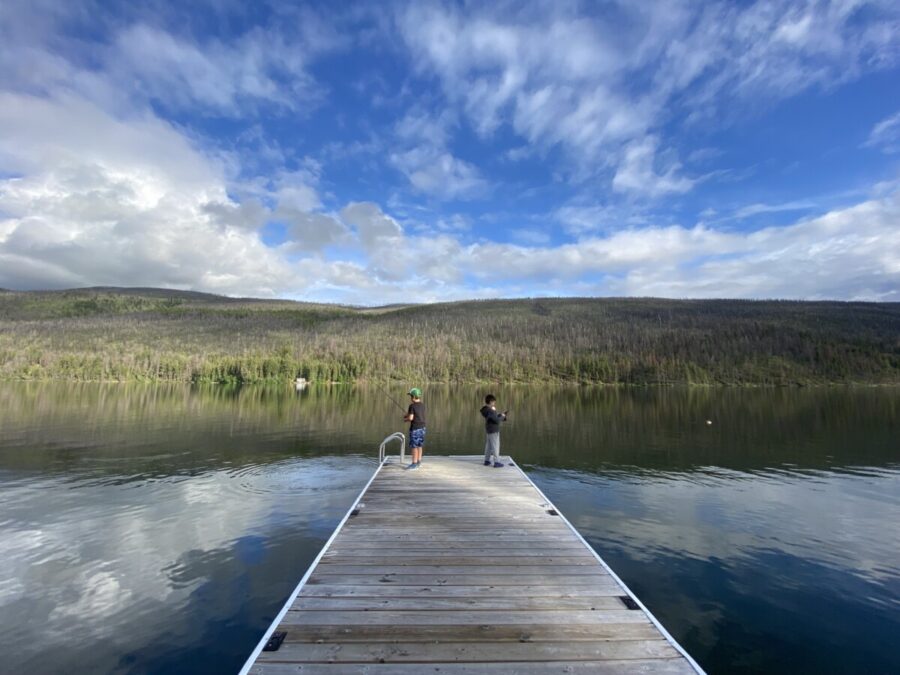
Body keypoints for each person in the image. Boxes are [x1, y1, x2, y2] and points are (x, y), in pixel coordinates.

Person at [480, 394, 507, 467]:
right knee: (495, 446)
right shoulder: (490, 410)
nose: (494, 403)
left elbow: (493, 418)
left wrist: (500, 415)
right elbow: (497, 421)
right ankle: (497, 462)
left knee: (488, 446)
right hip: (494, 430)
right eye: (494, 402)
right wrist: (502, 416)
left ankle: (487, 460)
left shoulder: (486, 410)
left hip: (489, 429)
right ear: (491, 402)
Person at [404, 387, 426, 470]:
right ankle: (419, 461)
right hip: (423, 428)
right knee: (420, 445)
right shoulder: (422, 405)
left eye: (410, 396)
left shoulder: (412, 406)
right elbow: (418, 414)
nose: (410, 398)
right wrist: (408, 414)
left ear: (413, 397)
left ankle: (414, 463)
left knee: (414, 446)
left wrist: (406, 419)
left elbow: (411, 418)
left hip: (415, 429)